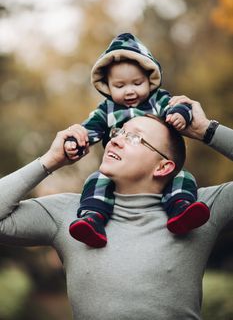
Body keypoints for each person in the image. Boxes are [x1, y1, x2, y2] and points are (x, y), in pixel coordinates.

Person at [0, 96, 232, 320]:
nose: (115, 139)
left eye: (134, 138)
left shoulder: (198, 211)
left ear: (163, 167)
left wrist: (207, 131)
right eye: (118, 132)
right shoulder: (71, 212)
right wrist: (50, 160)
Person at [64, 32, 209, 247]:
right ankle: (92, 218)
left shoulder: (158, 99)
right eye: (120, 86)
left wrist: (180, 115)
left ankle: (181, 208)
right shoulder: (106, 110)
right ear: (108, 87)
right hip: (121, 169)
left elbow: (179, 105)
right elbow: (89, 129)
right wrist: (75, 142)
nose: (130, 91)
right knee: (97, 180)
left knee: (182, 176)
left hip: (159, 166)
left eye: (137, 83)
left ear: (149, 80)